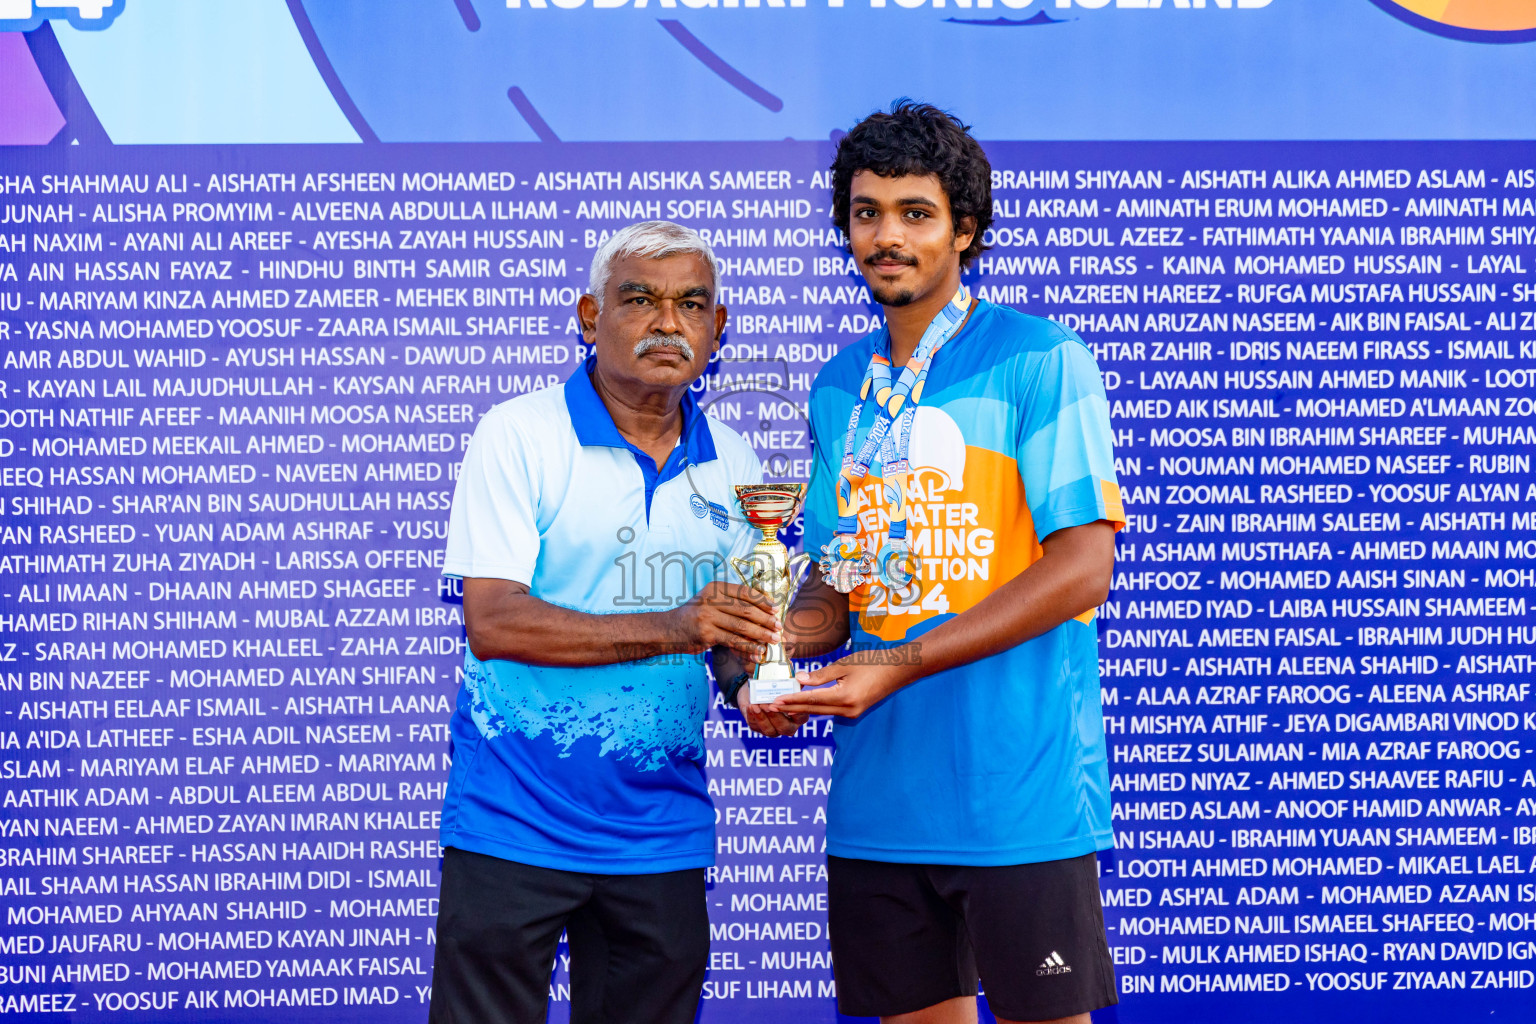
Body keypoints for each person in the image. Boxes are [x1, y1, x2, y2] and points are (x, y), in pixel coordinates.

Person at [776, 102, 1125, 1024]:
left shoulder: (1039, 358)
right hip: (880, 805)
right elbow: (837, 585)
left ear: (964, 230)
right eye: (865, 212)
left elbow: (1085, 567)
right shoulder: (837, 386)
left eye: (914, 212)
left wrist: (900, 666)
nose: (885, 236)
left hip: (1018, 800)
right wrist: (768, 652)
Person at [429, 220, 802, 1024]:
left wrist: (754, 691)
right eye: (640, 300)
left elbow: (731, 637)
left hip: (661, 833)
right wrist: (682, 626)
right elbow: (495, 623)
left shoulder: (734, 460)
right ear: (590, 317)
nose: (668, 323)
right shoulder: (520, 434)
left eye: (692, 305)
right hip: (511, 825)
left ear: (718, 328)